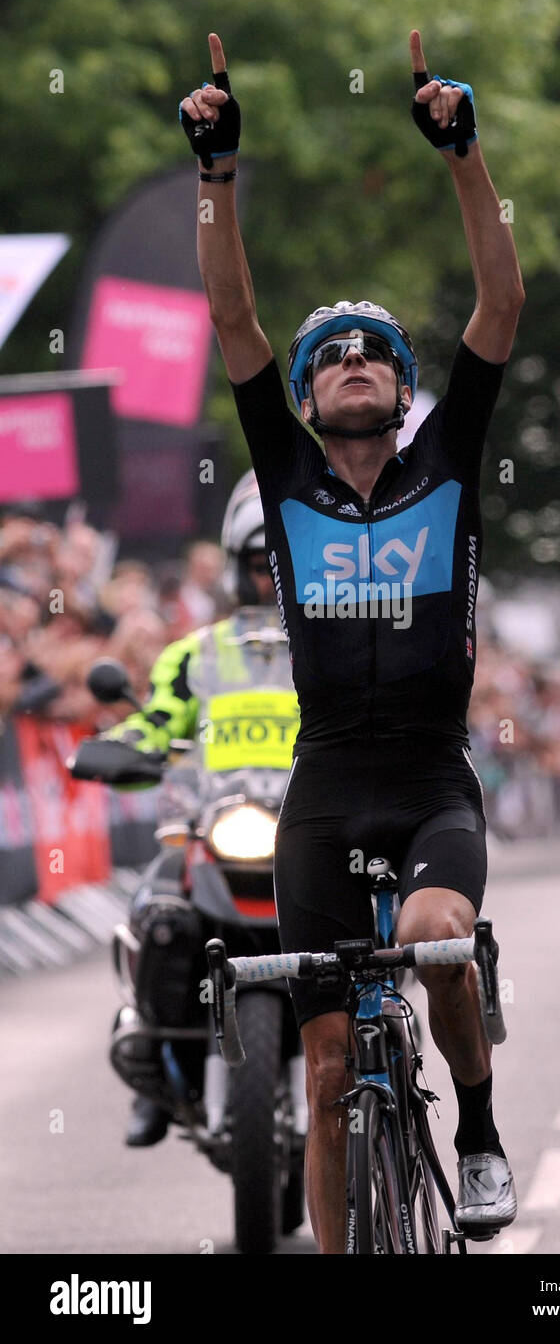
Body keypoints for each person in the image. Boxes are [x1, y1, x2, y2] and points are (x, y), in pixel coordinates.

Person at [181, 29, 524, 1253]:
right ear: (310, 403)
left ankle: (476, 1130)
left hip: (431, 775)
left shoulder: (444, 458)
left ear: (404, 384)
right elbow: (232, 312)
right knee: (324, 1076)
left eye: (378, 351)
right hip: (322, 787)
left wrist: (464, 155)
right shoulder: (287, 478)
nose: (357, 366)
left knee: (439, 945)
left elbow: (501, 297)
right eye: (333, 361)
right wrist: (217, 174)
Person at [99, 473, 280, 1146]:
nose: (273, 580)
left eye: (286, 566)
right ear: (238, 569)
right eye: (262, 565)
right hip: (215, 829)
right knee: (156, 912)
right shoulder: (195, 653)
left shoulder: (339, 650)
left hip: (316, 831)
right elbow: (154, 724)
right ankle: (153, 1053)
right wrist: (115, 749)